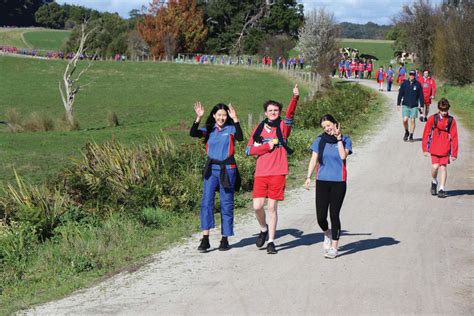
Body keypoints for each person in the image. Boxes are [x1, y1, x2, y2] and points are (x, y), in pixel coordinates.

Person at [246, 84, 300, 254]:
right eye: (271, 110)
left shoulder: (283, 127)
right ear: (265, 112)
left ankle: (271, 241)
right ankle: (263, 228)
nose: (273, 113)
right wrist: (267, 146)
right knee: (257, 206)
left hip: (278, 171)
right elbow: (249, 150)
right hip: (261, 172)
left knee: (272, 207)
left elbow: (290, 114)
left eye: (276, 110)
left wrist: (295, 98)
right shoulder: (259, 129)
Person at [190, 102, 243, 252]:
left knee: (226, 203)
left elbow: (240, 137)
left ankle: (225, 238)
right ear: (214, 115)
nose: (221, 118)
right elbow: (193, 133)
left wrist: (236, 118)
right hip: (211, 170)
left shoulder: (231, 129)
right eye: (219, 115)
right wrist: (198, 117)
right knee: (206, 202)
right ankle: (205, 238)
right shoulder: (209, 130)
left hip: (227, 170)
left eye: (224, 115)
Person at [305, 114, 352, 259]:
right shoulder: (319, 141)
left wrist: (338, 138)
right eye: (324, 127)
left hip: (338, 182)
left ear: (335, 123)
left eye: (328, 125)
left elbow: (343, 156)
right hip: (322, 181)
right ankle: (327, 233)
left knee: (334, 214)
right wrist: (308, 177)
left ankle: (334, 248)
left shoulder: (345, 140)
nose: (327, 128)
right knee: (320, 217)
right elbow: (313, 160)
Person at [421, 98, 458, 198]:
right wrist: (425, 149)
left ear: (448, 109)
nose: (444, 112)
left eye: (445, 110)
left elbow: (454, 137)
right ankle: (434, 181)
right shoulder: (433, 118)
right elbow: (426, 133)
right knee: (435, 167)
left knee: (443, 168)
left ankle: (442, 188)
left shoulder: (451, 120)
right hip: (434, 147)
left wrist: (454, 153)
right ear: (439, 109)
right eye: (442, 110)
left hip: (445, 148)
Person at [397, 69, 424, 142]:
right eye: (410, 74)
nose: (412, 76)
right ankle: (406, 132)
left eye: (413, 74)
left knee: (412, 120)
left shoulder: (418, 84)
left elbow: (421, 96)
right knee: (405, 120)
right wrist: (398, 103)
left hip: (414, 105)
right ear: (409, 75)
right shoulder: (404, 83)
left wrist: (421, 106)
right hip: (405, 105)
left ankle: (411, 135)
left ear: (415, 75)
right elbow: (400, 94)